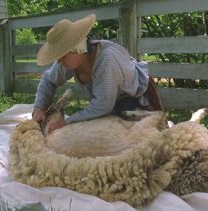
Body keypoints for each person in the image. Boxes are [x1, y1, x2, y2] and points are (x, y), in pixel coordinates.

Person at [32, 14, 164, 132]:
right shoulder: (67, 61)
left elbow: (102, 106)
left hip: (134, 97)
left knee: (140, 142)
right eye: (57, 57)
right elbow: (48, 80)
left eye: (62, 55)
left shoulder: (106, 60)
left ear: (78, 47)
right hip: (108, 101)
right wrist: (39, 108)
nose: (59, 61)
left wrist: (67, 122)